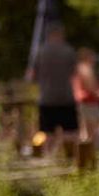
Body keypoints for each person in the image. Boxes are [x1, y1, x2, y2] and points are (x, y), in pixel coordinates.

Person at [31, 25, 79, 157]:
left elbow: (32, 76)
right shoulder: (68, 51)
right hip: (66, 97)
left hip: (46, 98)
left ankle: (49, 159)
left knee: (47, 133)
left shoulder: (40, 52)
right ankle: (70, 159)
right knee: (70, 131)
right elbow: (74, 73)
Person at [73, 48, 99, 147]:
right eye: (93, 57)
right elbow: (90, 87)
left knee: (84, 128)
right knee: (91, 129)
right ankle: (90, 151)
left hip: (81, 100)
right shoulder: (86, 69)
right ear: (87, 57)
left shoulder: (78, 68)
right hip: (88, 101)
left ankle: (85, 151)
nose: (94, 59)